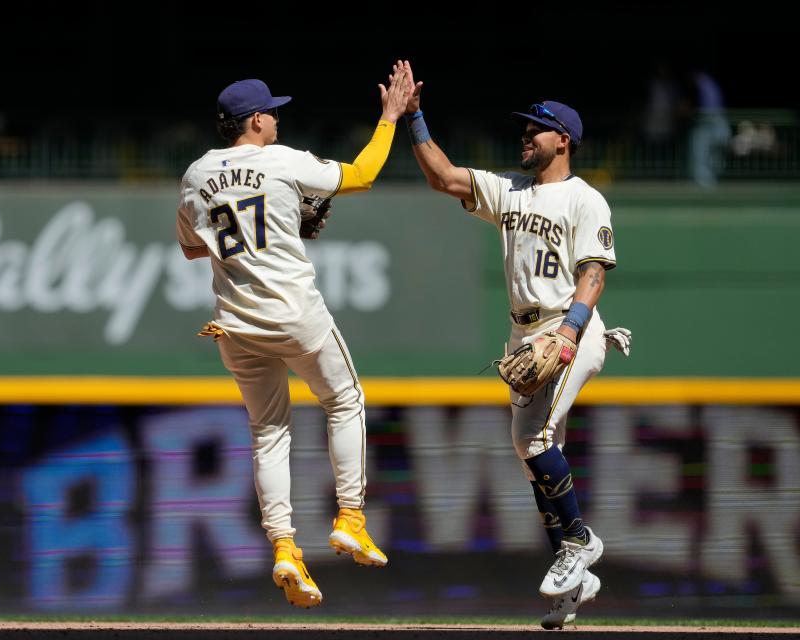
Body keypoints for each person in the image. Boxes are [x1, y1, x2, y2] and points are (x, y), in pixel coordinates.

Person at [399, 60, 630, 629]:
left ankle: (579, 543)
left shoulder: (585, 200)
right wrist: (415, 117)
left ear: (564, 140)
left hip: (569, 326)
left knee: (534, 439)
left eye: (536, 128)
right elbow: (444, 177)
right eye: (524, 127)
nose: (525, 134)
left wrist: (573, 330)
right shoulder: (511, 191)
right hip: (525, 333)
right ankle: (575, 577)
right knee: (532, 458)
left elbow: (595, 273)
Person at [176, 65, 410, 608]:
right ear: (254, 120)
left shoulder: (195, 174)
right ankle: (351, 515)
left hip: (236, 323)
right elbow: (362, 174)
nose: (277, 120)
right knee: (346, 401)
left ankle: (284, 547)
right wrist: (388, 118)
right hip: (295, 315)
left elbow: (193, 248)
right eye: (272, 113)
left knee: (268, 433)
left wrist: (276, 222)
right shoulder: (281, 159)